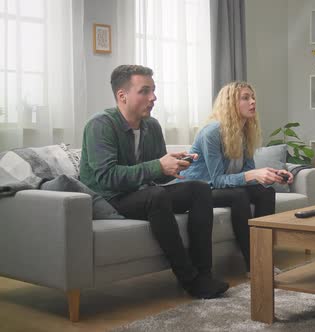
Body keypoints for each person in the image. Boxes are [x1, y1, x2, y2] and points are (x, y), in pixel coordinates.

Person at [79, 65, 228, 299]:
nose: (153, 98)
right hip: (109, 199)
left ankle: (204, 274)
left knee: (198, 189)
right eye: (145, 91)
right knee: (156, 196)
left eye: (154, 91)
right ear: (122, 95)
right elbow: (106, 178)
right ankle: (189, 280)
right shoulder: (101, 125)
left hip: (141, 194)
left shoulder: (152, 125)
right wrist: (158, 166)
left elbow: (156, 173)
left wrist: (174, 165)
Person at [179, 81, 293, 272]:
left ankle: (264, 256)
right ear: (230, 103)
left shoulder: (245, 133)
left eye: (253, 97)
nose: (253, 102)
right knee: (239, 195)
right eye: (245, 98)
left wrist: (272, 174)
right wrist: (251, 175)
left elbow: (247, 173)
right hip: (201, 189)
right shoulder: (212, 132)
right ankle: (255, 264)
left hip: (225, 188)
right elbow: (216, 180)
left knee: (265, 192)